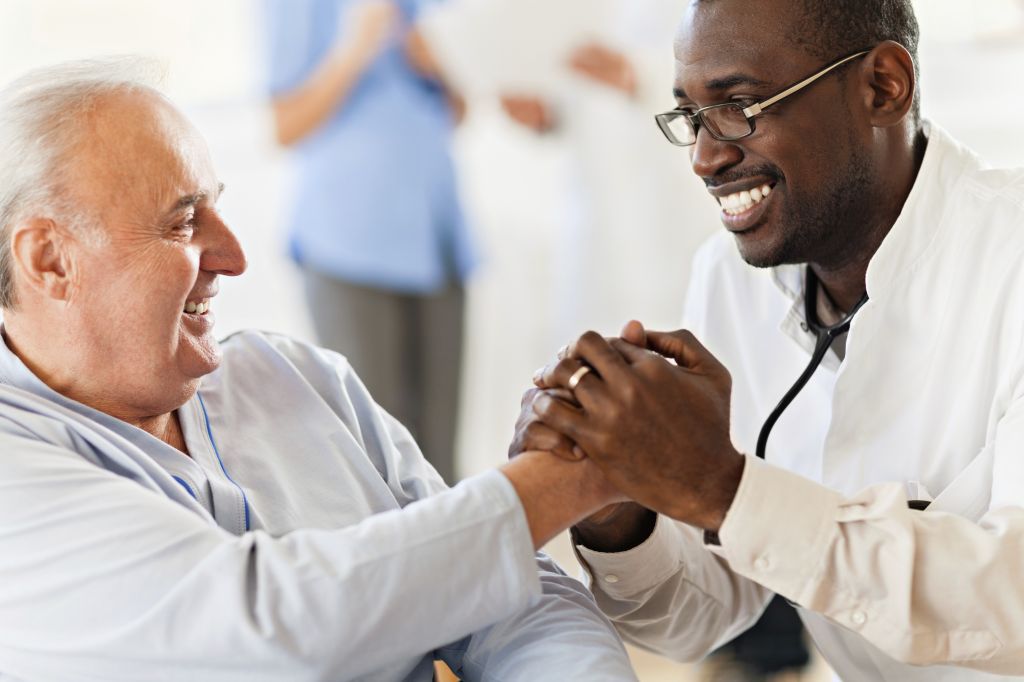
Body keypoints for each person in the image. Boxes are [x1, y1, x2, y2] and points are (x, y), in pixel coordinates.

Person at [0, 59, 639, 681]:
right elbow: (271, 630)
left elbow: (511, 597)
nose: (235, 256)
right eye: (184, 222)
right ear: (51, 260)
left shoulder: (295, 374)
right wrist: (578, 473)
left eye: (217, 208)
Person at [514, 0, 1024, 680]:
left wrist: (724, 490)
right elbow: (709, 611)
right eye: (691, 117)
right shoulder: (730, 279)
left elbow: (1011, 602)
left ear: (882, 87)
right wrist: (618, 502)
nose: (704, 157)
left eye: (741, 106)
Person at [263, 0, 473, 483]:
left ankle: (455, 560)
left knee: (441, 458)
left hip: (438, 239)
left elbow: (458, 109)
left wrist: (438, 64)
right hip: (349, 244)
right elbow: (284, 125)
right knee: (378, 461)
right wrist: (355, 48)